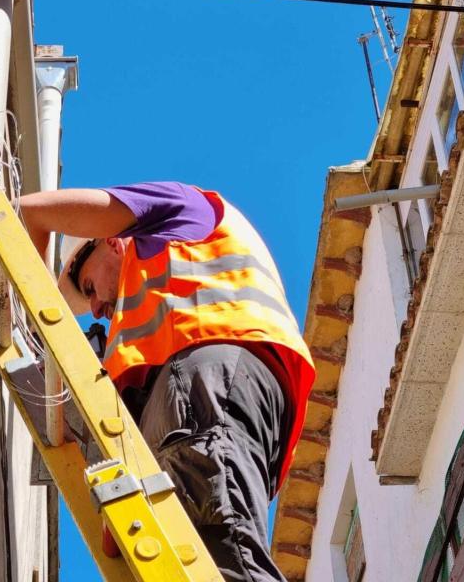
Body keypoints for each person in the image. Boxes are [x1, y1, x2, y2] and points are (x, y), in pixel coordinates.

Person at [19, 182, 315, 582]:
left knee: (221, 549)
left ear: (111, 241)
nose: (95, 309)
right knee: (202, 555)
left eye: (88, 286)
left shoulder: (180, 208)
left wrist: (30, 319)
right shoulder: (153, 311)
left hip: (208, 380)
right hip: (225, 392)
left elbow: (33, 211)